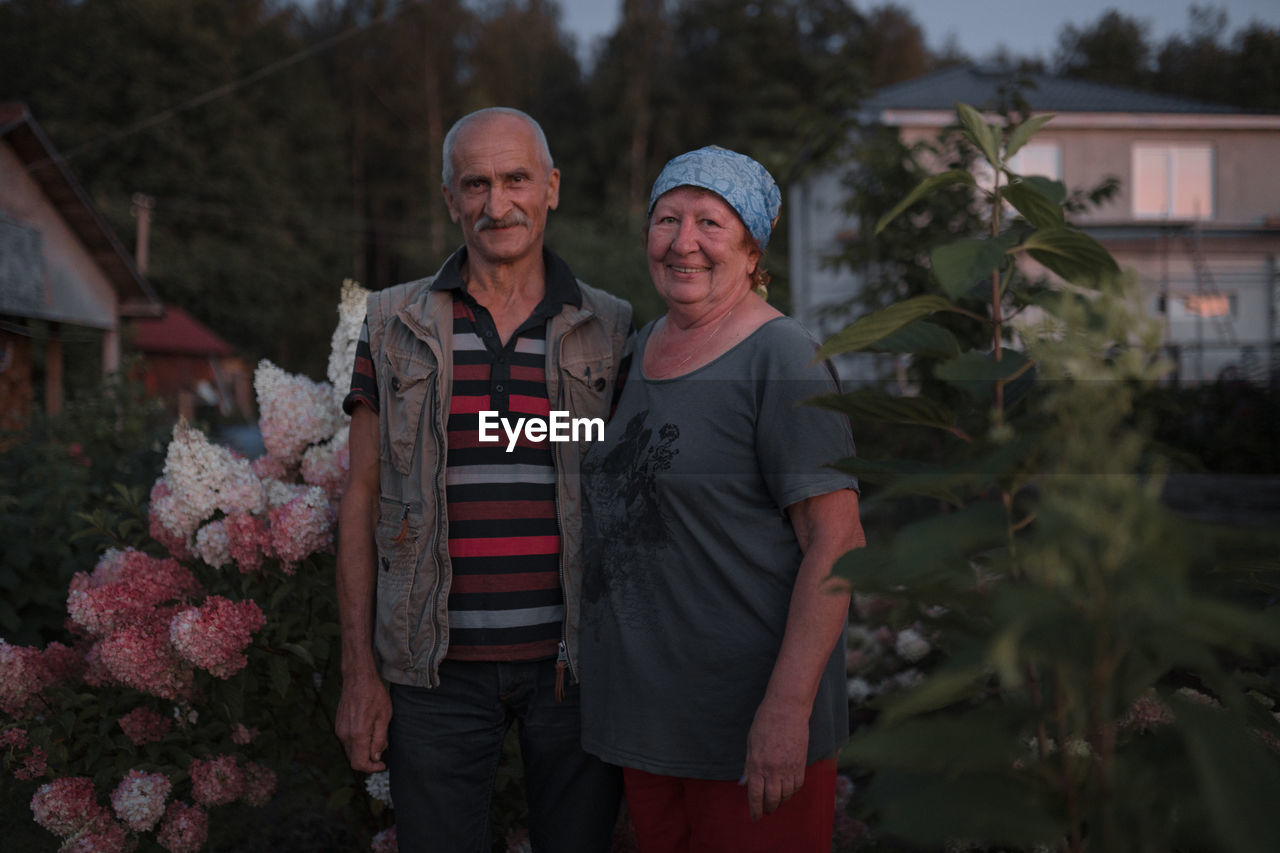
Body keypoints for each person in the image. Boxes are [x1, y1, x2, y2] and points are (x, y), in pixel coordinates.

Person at [335, 107, 631, 853]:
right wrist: (359, 673)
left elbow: (626, 481)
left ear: (552, 187)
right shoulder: (392, 321)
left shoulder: (611, 326)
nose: (497, 204)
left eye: (515, 179)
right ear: (449, 198)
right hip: (432, 672)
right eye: (476, 184)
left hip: (575, 667)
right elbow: (361, 496)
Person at [578, 146, 865, 853]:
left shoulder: (784, 357)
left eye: (710, 221)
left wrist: (787, 709)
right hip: (651, 727)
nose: (683, 242)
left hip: (749, 731)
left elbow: (838, 543)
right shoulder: (639, 351)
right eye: (667, 218)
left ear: (751, 245)